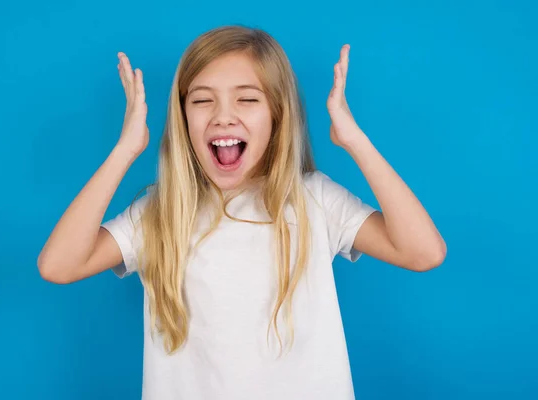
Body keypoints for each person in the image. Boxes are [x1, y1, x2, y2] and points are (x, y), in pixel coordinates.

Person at [38, 25, 446, 400]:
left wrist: (354, 140)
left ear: (277, 115)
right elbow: (59, 265)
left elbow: (423, 253)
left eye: (248, 98)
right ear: (183, 118)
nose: (223, 115)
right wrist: (126, 149)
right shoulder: (161, 213)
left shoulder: (314, 200)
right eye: (202, 100)